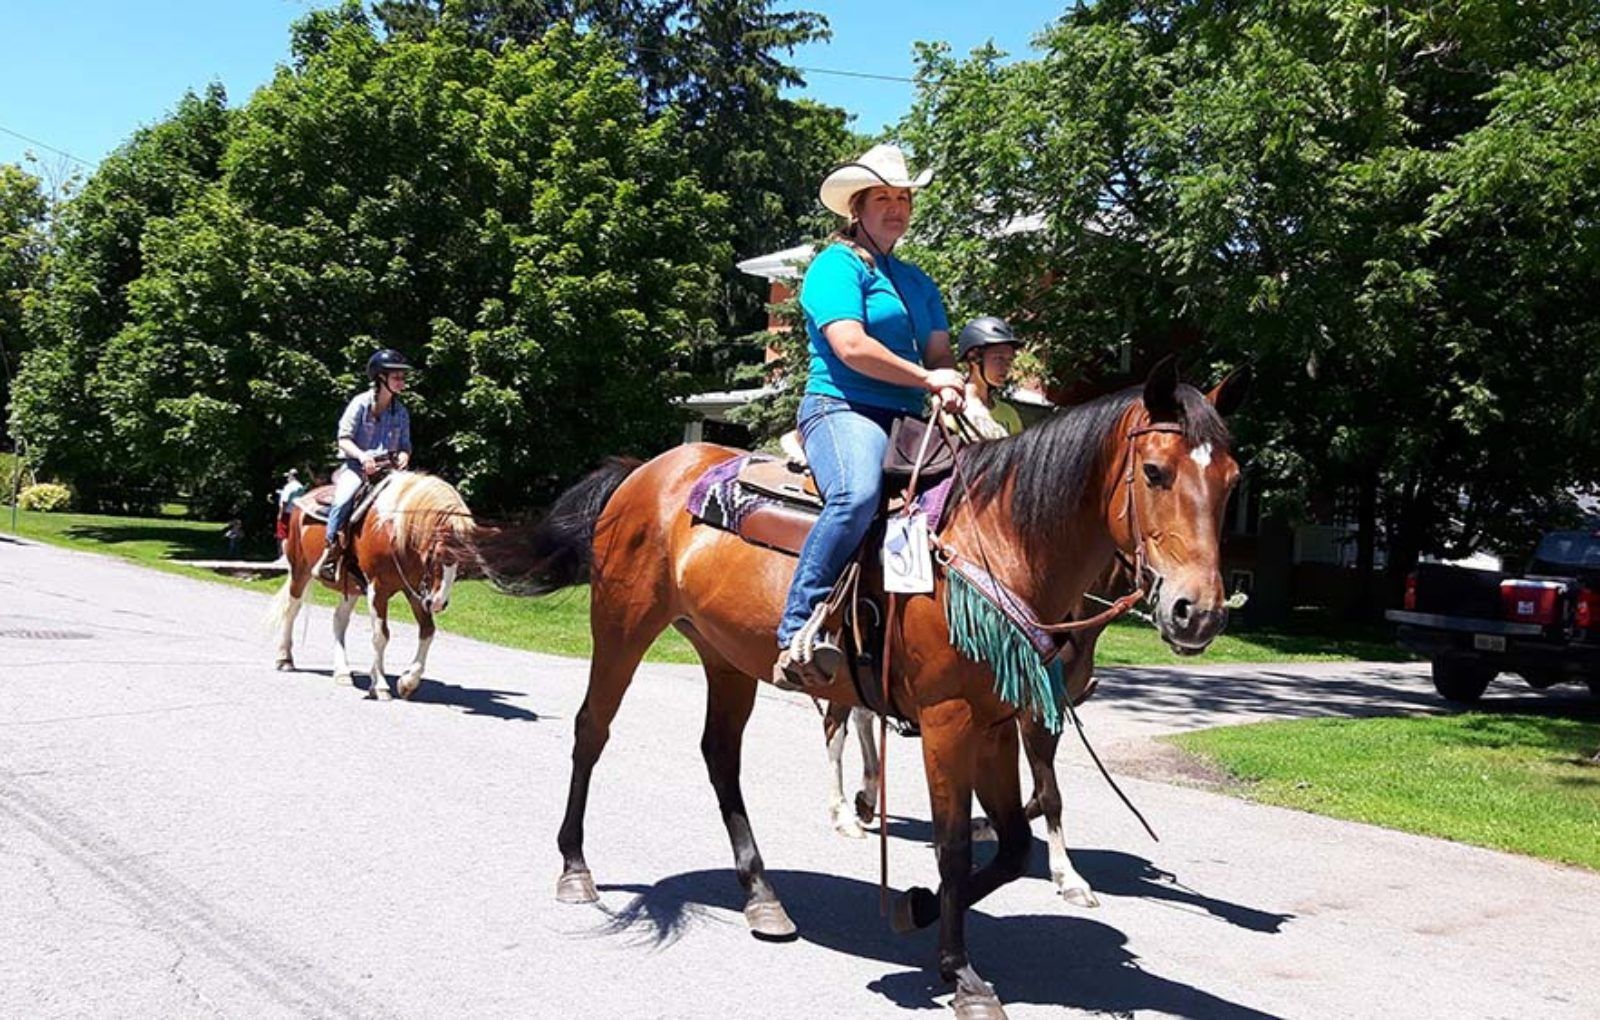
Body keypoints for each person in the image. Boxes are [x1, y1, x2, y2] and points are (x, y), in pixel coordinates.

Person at [773, 143, 965, 690]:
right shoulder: (834, 267)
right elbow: (851, 346)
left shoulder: (918, 281)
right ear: (856, 207)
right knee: (855, 496)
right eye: (883, 197)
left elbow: (939, 352)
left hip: (907, 420)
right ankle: (798, 631)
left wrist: (948, 383)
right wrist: (928, 380)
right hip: (842, 407)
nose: (896, 207)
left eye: (903, 198)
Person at [313, 349, 414, 582]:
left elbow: (405, 445)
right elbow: (343, 439)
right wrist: (362, 456)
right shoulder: (359, 403)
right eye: (396, 377)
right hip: (356, 468)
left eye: (403, 377)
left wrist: (404, 456)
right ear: (381, 378)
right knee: (343, 500)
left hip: (390, 472)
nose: (402, 381)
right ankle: (330, 553)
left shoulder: (401, 412)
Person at [952, 316, 1024, 440]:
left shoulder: (1009, 414)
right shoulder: (953, 406)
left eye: (1010, 360)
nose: (1006, 367)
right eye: (999, 358)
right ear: (974, 357)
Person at [274, 468, 305, 560]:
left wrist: (280, 514)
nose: (287, 478)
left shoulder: (289, 487)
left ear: (292, 477)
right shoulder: (301, 487)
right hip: (297, 513)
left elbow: (285, 501)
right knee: (294, 535)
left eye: (288, 476)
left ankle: (285, 557)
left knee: (284, 535)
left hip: (287, 513)